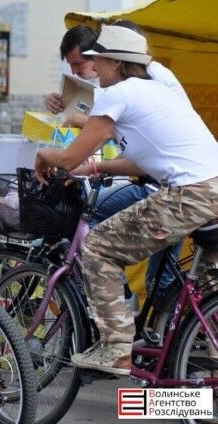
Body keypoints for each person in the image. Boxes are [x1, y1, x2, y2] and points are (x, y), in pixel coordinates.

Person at [34, 25, 218, 375]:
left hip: (191, 195)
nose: (94, 69)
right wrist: (97, 167)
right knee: (209, 282)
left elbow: (68, 158)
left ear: (116, 63)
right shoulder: (157, 90)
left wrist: (46, 153)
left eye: (97, 61)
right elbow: (146, 160)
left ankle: (116, 349)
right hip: (212, 188)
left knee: (99, 247)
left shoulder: (120, 94)